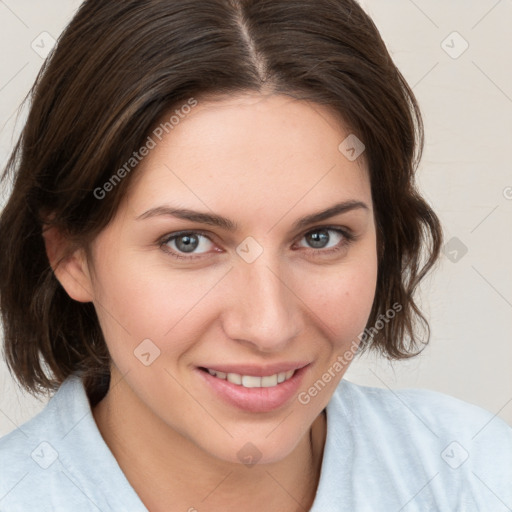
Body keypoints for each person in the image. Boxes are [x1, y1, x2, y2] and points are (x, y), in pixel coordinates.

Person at [0, 0, 510, 510]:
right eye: (189, 242)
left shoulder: (477, 473)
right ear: (70, 255)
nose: (269, 326)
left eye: (320, 237)